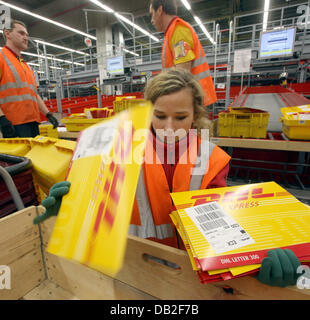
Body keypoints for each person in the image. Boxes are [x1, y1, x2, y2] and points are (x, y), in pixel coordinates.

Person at [34, 69, 300, 288]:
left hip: (191, 277)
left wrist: (254, 264)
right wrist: (66, 212)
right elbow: (96, 212)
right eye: (160, 116)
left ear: (196, 115)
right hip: (130, 272)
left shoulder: (212, 159)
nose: (169, 128)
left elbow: (221, 227)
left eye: (181, 117)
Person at [149, 0, 217, 107]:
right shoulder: (172, 32)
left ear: (160, 10)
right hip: (190, 99)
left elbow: (182, 75)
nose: (151, 20)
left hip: (192, 101)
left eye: (152, 14)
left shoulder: (178, 31)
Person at [0, 20, 58, 138]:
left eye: (26, 35)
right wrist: (2, 119)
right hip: (13, 124)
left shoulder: (25, 65)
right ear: (7, 33)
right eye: (21, 33)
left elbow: (33, 94)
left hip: (33, 121)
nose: (25, 37)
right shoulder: (1, 58)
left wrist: (48, 114)